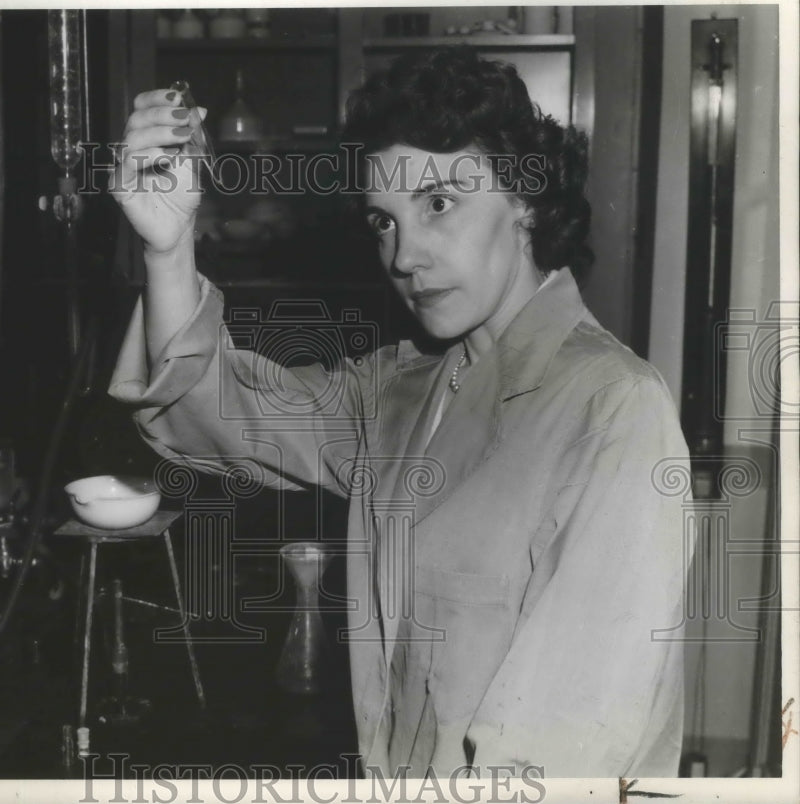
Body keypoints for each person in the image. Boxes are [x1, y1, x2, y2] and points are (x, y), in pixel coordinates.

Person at [107, 47, 692, 778]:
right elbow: (210, 410)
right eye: (383, 221)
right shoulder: (399, 388)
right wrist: (167, 248)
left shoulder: (612, 409)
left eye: (439, 204)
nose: (405, 254)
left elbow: (564, 748)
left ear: (526, 201)